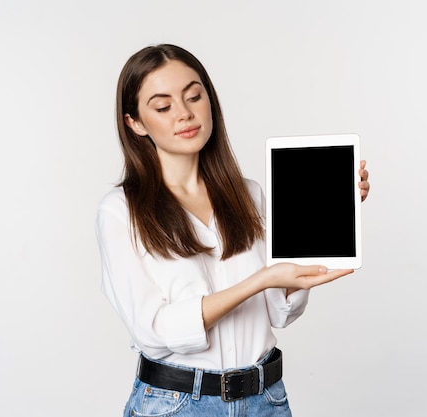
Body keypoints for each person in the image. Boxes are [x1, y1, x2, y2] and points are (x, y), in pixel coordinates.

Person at [95, 43, 370, 417]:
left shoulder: (249, 194)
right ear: (135, 123)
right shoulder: (121, 211)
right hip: (176, 405)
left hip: (265, 400)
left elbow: (279, 313)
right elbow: (155, 331)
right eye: (163, 106)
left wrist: (329, 211)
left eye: (194, 96)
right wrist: (259, 280)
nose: (185, 113)